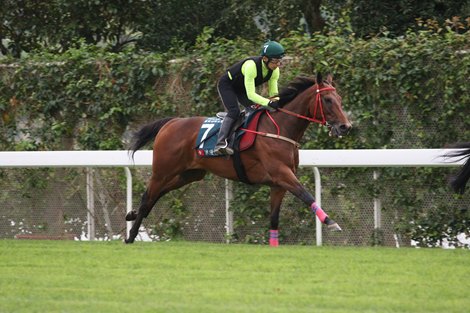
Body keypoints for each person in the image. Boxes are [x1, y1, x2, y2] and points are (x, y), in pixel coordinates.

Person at [213, 40, 285, 155]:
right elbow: (251, 95)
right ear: (265, 59)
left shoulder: (275, 71)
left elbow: (274, 94)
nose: (277, 65)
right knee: (234, 111)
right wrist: (269, 102)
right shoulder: (251, 66)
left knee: (253, 110)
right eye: (275, 61)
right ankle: (220, 143)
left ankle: (239, 139)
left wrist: (278, 102)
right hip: (228, 84)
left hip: (241, 88)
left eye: (279, 62)